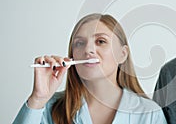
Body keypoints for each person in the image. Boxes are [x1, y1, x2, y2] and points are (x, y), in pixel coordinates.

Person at [14, 13, 167, 124]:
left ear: (122, 54)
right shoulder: (48, 108)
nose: (88, 50)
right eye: (80, 43)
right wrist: (38, 99)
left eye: (100, 41)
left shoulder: (149, 114)